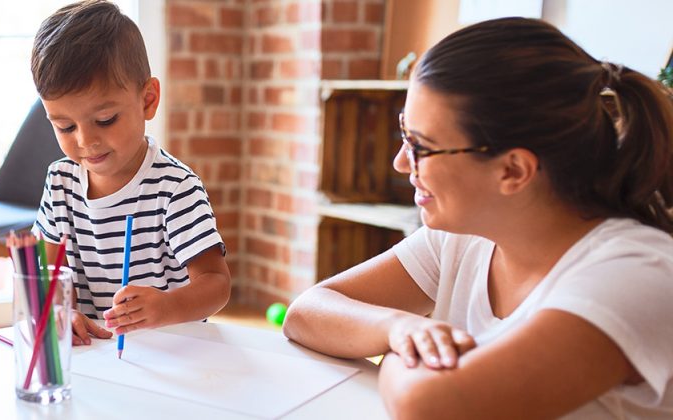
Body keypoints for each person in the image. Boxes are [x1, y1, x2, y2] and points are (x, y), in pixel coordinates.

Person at [283, 17, 673, 419]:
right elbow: (306, 313)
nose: (401, 163)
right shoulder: (466, 237)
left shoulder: (634, 274)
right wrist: (401, 328)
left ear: (513, 170)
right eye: (405, 136)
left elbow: (430, 406)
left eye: (420, 146)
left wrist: (401, 351)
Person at [31, 0, 231, 346]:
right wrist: (62, 310)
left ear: (148, 100)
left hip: (172, 351)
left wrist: (166, 307)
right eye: (64, 126)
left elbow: (216, 283)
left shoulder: (175, 188)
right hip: (97, 355)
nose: (86, 140)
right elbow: (48, 274)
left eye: (105, 120)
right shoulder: (60, 182)